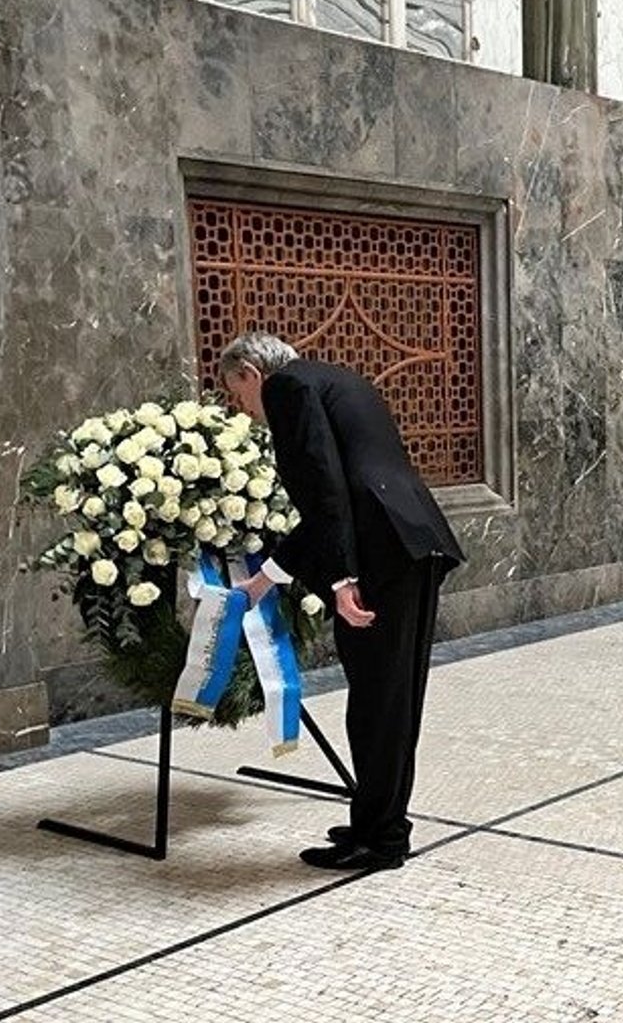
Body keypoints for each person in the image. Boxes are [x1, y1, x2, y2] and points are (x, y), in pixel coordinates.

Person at [220, 333, 465, 871]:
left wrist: (341, 579)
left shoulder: (287, 388)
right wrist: (270, 579)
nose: (245, 410)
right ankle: (377, 821)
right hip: (411, 544)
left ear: (252, 373)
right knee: (392, 701)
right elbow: (344, 489)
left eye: (238, 395)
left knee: (378, 705)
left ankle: (382, 839)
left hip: (380, 556)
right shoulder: (334, 377)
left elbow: (324, 488)